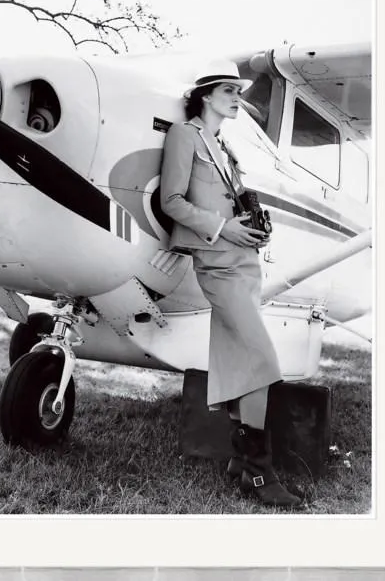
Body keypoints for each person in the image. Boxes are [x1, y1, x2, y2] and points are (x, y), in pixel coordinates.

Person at [159, 60, 300, 508]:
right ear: (204, 95)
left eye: (238, 91)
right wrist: (223, 229)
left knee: (239, 359)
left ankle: (242, 464)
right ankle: (259, 472)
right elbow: (172, 201)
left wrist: (248, 226)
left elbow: (225, 201)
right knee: (260, 359)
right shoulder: (186, 135)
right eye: (229, 91)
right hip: (218, 262)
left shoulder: (222, 145)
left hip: (242, 261)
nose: (238, 97)